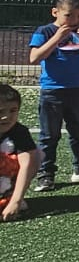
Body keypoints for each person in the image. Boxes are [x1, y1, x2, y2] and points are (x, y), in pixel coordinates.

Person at [28, 0, 79, 190]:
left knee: (78, 131)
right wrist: (56, 38)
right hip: (52, 91)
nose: (74, 20)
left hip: (76, 90)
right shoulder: (45, 31)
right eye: (69, 15)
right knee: (49, 135)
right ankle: (46, 174)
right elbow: (34, 57)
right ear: (56, 12)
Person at [0, 84, 40, 221]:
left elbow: (27, 166)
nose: (6, 117)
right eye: (0, 111)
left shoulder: (20, 132)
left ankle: (10, 195)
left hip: (7, 179)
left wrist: (15, 202)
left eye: (13, 110)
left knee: (33, 157)